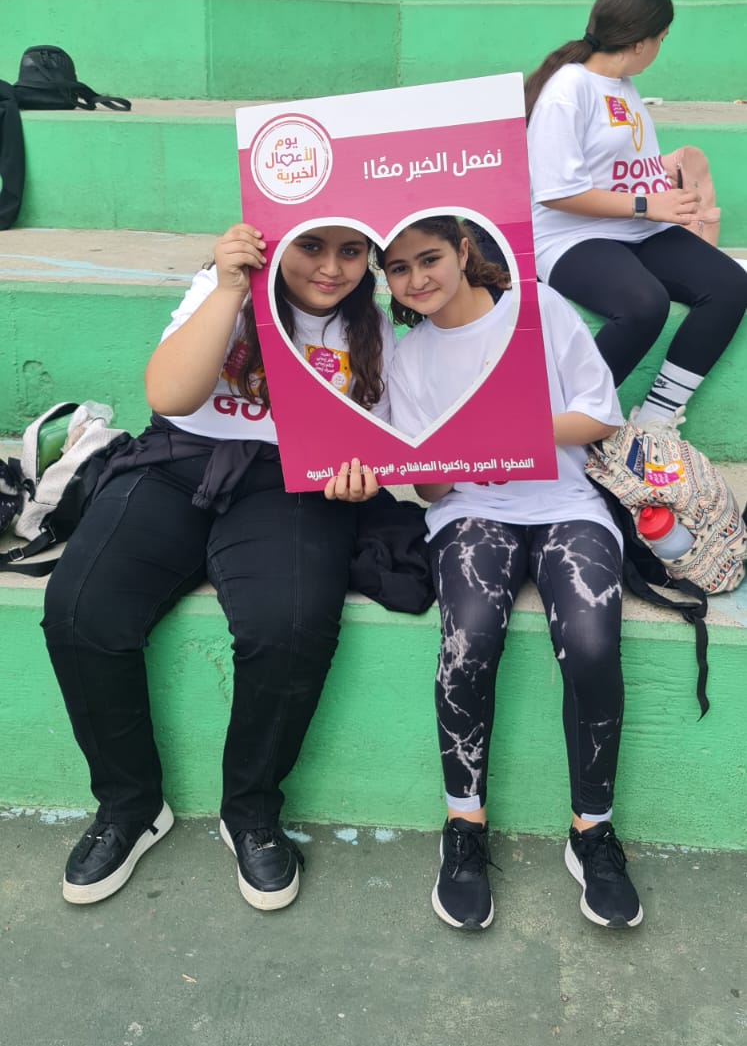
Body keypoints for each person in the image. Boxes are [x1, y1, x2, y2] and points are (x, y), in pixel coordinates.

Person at [43, 223, 394, 912]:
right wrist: (232, 287)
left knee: (288, 625)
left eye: (350, 251)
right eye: (311, 247)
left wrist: (362, 480)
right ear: (276, 245)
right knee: (80, 610)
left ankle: (251, 812)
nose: (330, 267)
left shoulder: (370, 327)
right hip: (177, 460)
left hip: (293, 483)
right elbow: (169, 396)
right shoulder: (221, 288)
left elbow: (373, 446)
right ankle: (130, 805)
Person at [377, 216, 641, 933]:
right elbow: (430, 488)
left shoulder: (538, 308)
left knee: (591, 643)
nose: (416, 279)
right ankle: (463, 825)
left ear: (464, 251)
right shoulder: (408, 355)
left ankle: (592, 830)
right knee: (468, 639)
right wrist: (431, 460)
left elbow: (600, 414)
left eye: (429, 258)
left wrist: (509, 429)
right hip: (470, 511)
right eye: (398, 268)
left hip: (566, 503)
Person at [525, 0, 747, 426]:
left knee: (730, 285)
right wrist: (647, 205)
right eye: (662, 38)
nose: (661, 47)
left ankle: (655, 423)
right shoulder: (568, 90)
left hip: (638, 228)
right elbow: (557, 193)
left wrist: (665, 189)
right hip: (571, 238)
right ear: (641, 41)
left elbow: (617, 168)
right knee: (644, 305)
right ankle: (566, 423)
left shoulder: (624, 86)